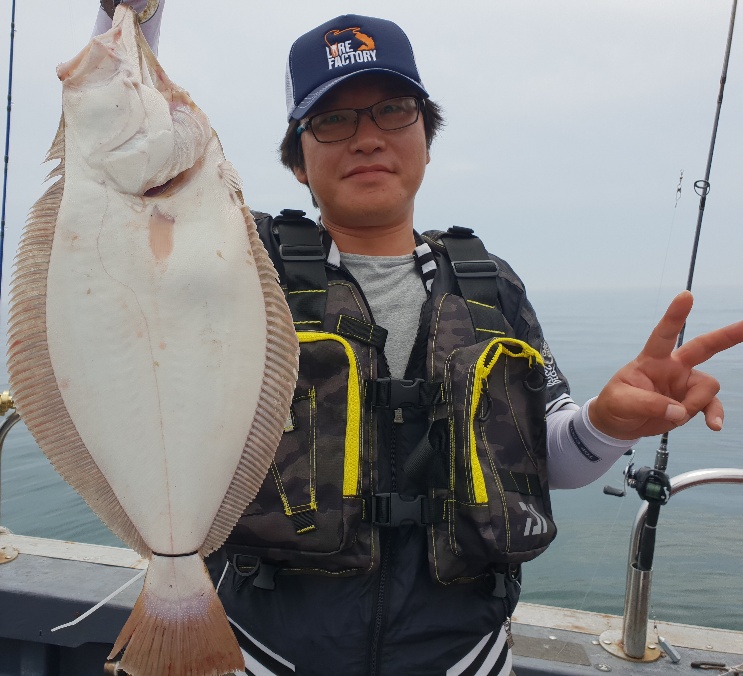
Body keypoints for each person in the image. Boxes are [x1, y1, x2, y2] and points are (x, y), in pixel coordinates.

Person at [94, 3, 743, 675]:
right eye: (333, 119)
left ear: (426, 140)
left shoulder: (490, 286)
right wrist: (128, 20)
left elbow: (554, 457)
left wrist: (607, 424)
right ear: (297, 160)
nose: (367, 138)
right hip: (263, 652)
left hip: (464, 657)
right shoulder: (237, 263)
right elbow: (122, 181)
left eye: (393, 111)